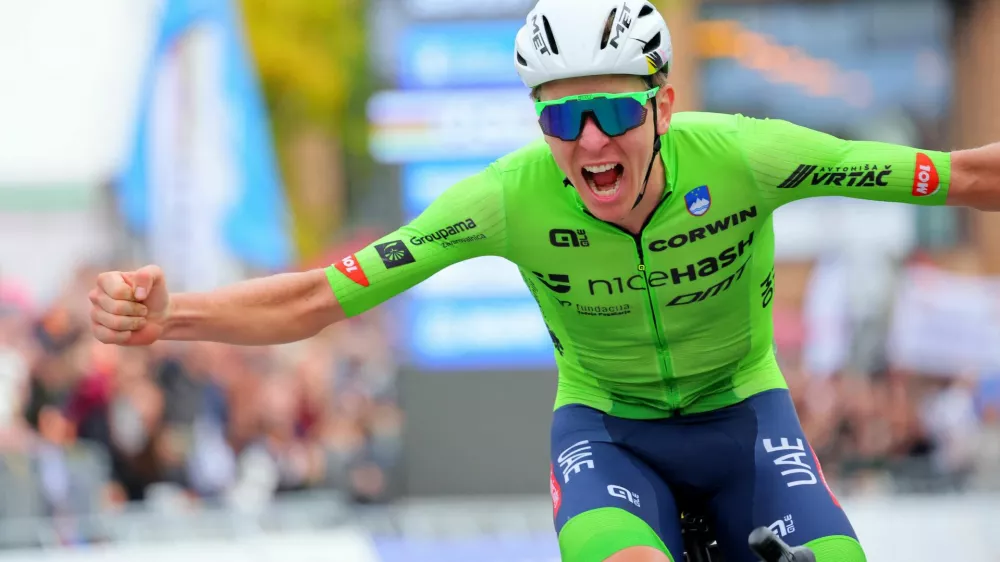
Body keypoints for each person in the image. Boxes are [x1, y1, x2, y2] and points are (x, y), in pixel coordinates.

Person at [89, 0, 1000, 560]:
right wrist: (174, 318)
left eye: (610, 109)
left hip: (744, 415)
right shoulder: (507, 199)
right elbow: (323, 295)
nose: (591, 142)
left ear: (665, 106)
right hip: (610, 435)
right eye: (564, 119)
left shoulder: (750, 156)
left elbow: (962, 175)